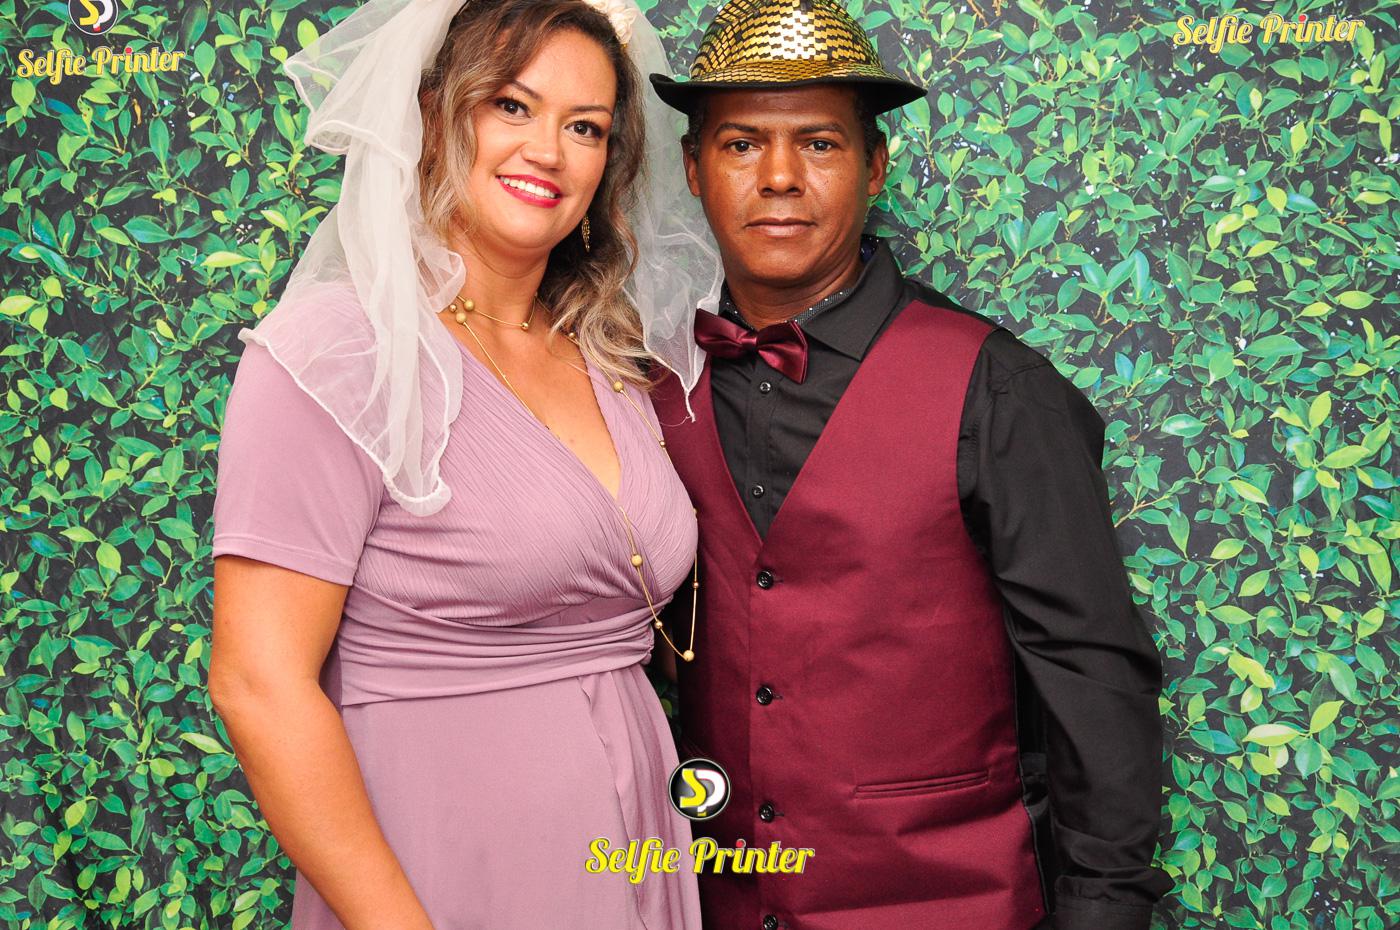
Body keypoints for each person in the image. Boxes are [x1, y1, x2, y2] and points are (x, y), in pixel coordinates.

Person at [646, 0, 1173, 928]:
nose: (779, 177)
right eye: (740, 145)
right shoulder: (648, 387)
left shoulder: (1000, 390)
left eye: (818, 143)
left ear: (875, 166)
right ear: (693, 168)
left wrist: (1104, 910)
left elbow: (1092, 676)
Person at [208, 0, 717, 928]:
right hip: (440, 863)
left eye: (585, 127)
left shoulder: (607, 350)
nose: (548, 151)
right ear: (435, 114)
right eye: (511, 106)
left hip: (633, 841)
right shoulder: (338, 349)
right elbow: (258, 683)